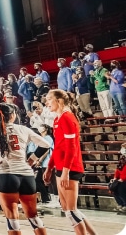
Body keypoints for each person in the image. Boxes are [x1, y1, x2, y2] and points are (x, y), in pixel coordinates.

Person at [0, 103, 51, 235]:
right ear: (12, 115)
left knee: (12, 219)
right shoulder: (23, 129)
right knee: (33, 216)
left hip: (6, 175)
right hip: (26, 175)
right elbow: (45, 145)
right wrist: (32, 159)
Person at [43, 89, 98, 235]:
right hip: (61, 168)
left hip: (71, 168)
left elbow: (72, 147)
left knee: (71, 211)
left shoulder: (68, 117)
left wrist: (66, 171)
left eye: (49, 99)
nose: (46, 102)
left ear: (59, 101)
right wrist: (49, 168)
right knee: (69, 210)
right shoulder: (57, 119)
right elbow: (58, 147)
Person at [111, 148, 126, 213]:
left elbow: (124, 175)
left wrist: (121, 179)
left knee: (120, 187)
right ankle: (120, 204)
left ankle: (125, 204)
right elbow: (117, 172)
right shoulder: (121, 163)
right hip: (121, 180)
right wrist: (114, 179)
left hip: (124, 180)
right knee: (113, 186)